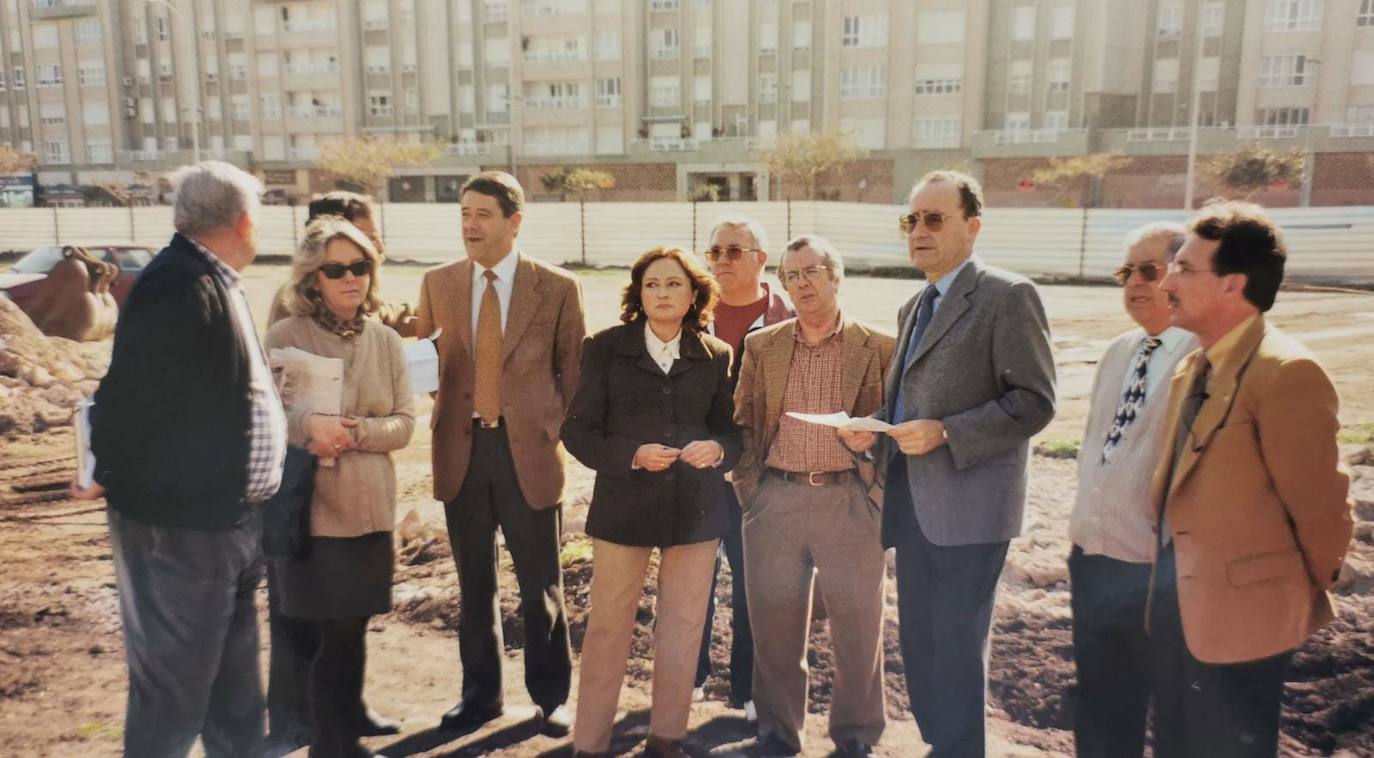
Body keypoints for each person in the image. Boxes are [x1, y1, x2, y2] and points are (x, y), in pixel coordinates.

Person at [73, 160, 287, 757]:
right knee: (172, 699)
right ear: (244, 222)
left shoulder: (213, 280)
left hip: (229, 523)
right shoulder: (177, 286)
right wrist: (115, 479)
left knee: (235, 699)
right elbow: (124, 403)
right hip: (184, 534)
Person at [842, 170, 1056, 757]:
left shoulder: (1007, 295)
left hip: (971, 508)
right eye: (911, 220)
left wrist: (947, 433)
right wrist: (876, 429)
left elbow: (1036, 402)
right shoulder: (915, 302)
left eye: (935, 219)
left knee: (958, 646)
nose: (919, 231)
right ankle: (943, 745)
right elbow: (909, 399)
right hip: (913, 503)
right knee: (920, 643)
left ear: (973, 225)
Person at [1148, 201, 1353, 757]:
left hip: (1246, 622)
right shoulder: (1193, 367)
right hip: (1177, 609)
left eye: (1185, 269)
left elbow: (1322, 510)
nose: (1166, 281)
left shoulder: (1286, 374)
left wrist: (1283, 596)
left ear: (1232, 285)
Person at [414, 171, 585, 735]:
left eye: (483, 214)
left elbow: (573, 373)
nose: (470, 224)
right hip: (461, 451)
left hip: (528, 454)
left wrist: (543, 428)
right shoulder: (437, 284)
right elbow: (429, 366)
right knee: (473, 585)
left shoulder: (557, 287)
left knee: (540, 585)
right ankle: (480, 696)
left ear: (514, 222)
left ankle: (552, 697)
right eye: (464, 212)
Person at [562, 246, 742, 758]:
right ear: (639, 295)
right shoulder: (604, 347)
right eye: (652, 285)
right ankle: (591, 743)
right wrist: (633, 455)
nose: (663, 293)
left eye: (674, 285)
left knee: (683, 627)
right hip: (624, 508)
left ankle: (667, 737)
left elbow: (733, 433)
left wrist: (719, 449)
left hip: (696, 511)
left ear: (694, 296)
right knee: (609, 628)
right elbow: (577, 430)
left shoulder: (716, 355)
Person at [732, 236, 895, 757]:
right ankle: (779, 733)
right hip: (775, 500)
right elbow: (744, 422)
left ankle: (855, 734)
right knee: (774, 625)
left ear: (836, 276)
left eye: (810, 272)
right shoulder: (764, 345)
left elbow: (896, 426)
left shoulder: (880, 347)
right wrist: (751, 490)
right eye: (790, 275)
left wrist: (873, 456)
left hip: (850, 501)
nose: (800, 283)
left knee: (858, 626)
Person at [263, 219, 415, 758]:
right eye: (336, 269)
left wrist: (357, 433)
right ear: (312, 277)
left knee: (354, 624)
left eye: (360, 267)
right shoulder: (285, 336)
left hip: (370, 507)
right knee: (326, 629)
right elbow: (268, 414)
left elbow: (404, 422)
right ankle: (331, 743)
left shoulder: (388, 340)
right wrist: (309, 427)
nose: (351, 278)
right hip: (313, 507)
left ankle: (344, 727)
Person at [1067, 222, 1195, 757]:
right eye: (1127, 272)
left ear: (1182, 275)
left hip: (1158, 576)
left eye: (1150, 270)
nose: (1135, 284)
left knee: (1173, 717)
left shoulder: (1201, 355)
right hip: (1095, 561)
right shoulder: (1121, 350)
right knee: (1100, 713)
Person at [693, 216, 792, 716]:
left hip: (764, 476)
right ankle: (690, 681)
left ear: (761, 259)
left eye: (734, 251)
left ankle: (748, 691)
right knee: (693, 580)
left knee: (755, 583)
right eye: (714, 252)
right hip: (698, 473)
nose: (722, 261)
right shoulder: (691, 316)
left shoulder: (791, 318)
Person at [267, 191, 416, 335]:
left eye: (377, 238)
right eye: (367, 239)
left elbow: (382, 312)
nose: (379, 247)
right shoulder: (295, 306)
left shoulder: (356, 289)